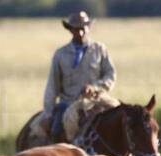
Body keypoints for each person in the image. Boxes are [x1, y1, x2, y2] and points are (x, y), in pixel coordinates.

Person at [42, 11, 117, 142]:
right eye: (76, 29)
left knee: (120, 117)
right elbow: (52, 86)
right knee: (57, 131)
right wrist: (48, 113)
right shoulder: (60, 54)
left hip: (96, 99)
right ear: (70, 30)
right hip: (69, 102)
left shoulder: (99, 49)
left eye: (83, 29)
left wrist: (95, 87)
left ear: (88, 27)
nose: (81, 33)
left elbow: (110, 75)